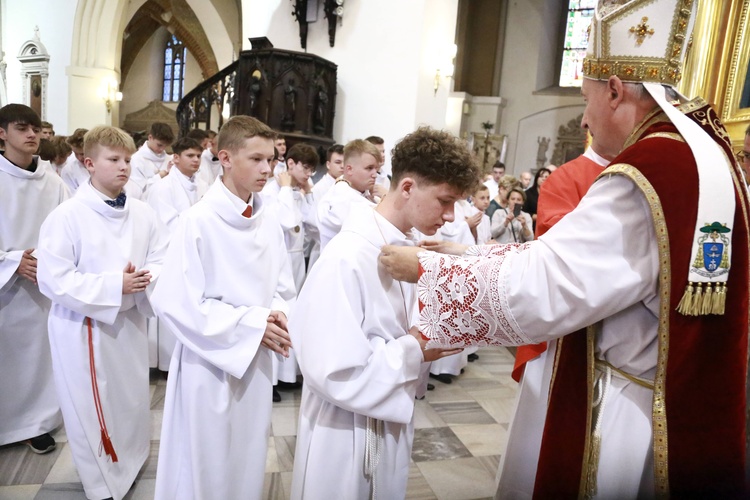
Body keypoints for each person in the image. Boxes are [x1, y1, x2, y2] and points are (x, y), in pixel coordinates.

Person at [379, 0, 750, 496]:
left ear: (615, 90)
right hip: (687, 401)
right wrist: (464, 256)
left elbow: (550, 284)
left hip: (628, 409)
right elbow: (572, 261)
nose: (587, 114)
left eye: (588, 97)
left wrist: (426, 268)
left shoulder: (646, 174)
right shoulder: (707, 154)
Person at [290, 126, 476, 499]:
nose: (451, 216)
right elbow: (331, 370)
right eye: (444, 200)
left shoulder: (405, 248)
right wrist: (415, 349)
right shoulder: (347, 256)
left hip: (388, 419)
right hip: (345, 435)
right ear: (407, 187)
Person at [151, 115, 296, 500]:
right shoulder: (196, 221)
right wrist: (251, 325)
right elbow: (176, 302)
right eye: (257, 159)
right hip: (208, 363)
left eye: (272, 160)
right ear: (226, 157)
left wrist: (279, 313)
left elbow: (282, 286)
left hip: (257, 360)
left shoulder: (268, 220)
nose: (267, 169)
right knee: (206, 462)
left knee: (247, 455)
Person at [37, 125, 168, 500]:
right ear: (89, 163)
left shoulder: (142, 212)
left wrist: (144, 279)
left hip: (129, 323)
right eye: (114, 160)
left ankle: (131, 460)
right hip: (84, 327)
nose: (124, 167)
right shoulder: (67, 216)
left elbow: (161, 255)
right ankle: (102, 483)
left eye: (128, 159)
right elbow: (54, 278)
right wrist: (114, 286)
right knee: (92, 408)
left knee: (129, 399)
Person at [501, 141, 612, 496]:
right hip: (564, 337)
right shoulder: (568, 178)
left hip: (618, 349)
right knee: (545, 437)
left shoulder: (645, 172)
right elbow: (555, 256)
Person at [0, 104, 66, 456]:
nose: (32, 135)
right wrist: (12, 261)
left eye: (35, 129)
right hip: (5, 287)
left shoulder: (53, 183)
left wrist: (45, 259)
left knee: (36, 358)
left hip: (41, 286)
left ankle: (34, 424)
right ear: (2, 133)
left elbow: (71, 230)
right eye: (22, 128)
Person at [262, 142, 319, 398]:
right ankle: (271, 380)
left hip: (297, 260)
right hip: (277, 260)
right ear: (290, 163)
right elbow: (285, 221)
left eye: (311, 169)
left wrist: (308, 194)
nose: (308, 173)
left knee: (293, 313)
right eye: (304, 167)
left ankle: (286, 375)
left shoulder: (298, 190)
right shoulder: (272, 190)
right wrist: (286, 189)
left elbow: (316, 226)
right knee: (278, 314)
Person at [146, 137, 208, 372]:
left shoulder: (203, 184)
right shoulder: (163, 187)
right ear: (176, 158)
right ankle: (166, 361)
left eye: (198, 156)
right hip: (171, 254)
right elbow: (164, 223)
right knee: (172, 308)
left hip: (196, 254)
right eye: (190, 156)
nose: (195, 160)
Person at [317, 139, 380, 249]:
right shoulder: (339, 198)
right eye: (369, 168)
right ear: (349, 169)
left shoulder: (369, 196)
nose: (375, 175)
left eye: (376, 169)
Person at [128, 122, 175, 199]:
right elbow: (137, 189)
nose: (162, 149)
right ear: (150, 137)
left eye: (165, 146)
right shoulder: (136, 159)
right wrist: (160, 176)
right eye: (159, 145)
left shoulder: (169, 159)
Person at [60, 128, 89, 192]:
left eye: (82, 154)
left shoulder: (104, 165)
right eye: (75, 153)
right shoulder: (68, 170)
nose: (79, 158)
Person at [522, 167, 550, 231]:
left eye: (546, 177)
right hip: (530, 225)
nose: (543, 179)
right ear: (537, 178)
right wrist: (535, 217)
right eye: (541, 176)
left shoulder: (551, 195)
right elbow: (523, 211)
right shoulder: (528, 193)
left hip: (546, 227)